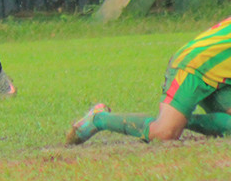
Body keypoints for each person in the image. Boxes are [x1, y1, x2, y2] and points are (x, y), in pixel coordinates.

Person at [66, 17, 231, 144]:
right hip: (193, 67)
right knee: (164, 133)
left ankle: (182, 120)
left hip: (222, 77)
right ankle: (99, 119)